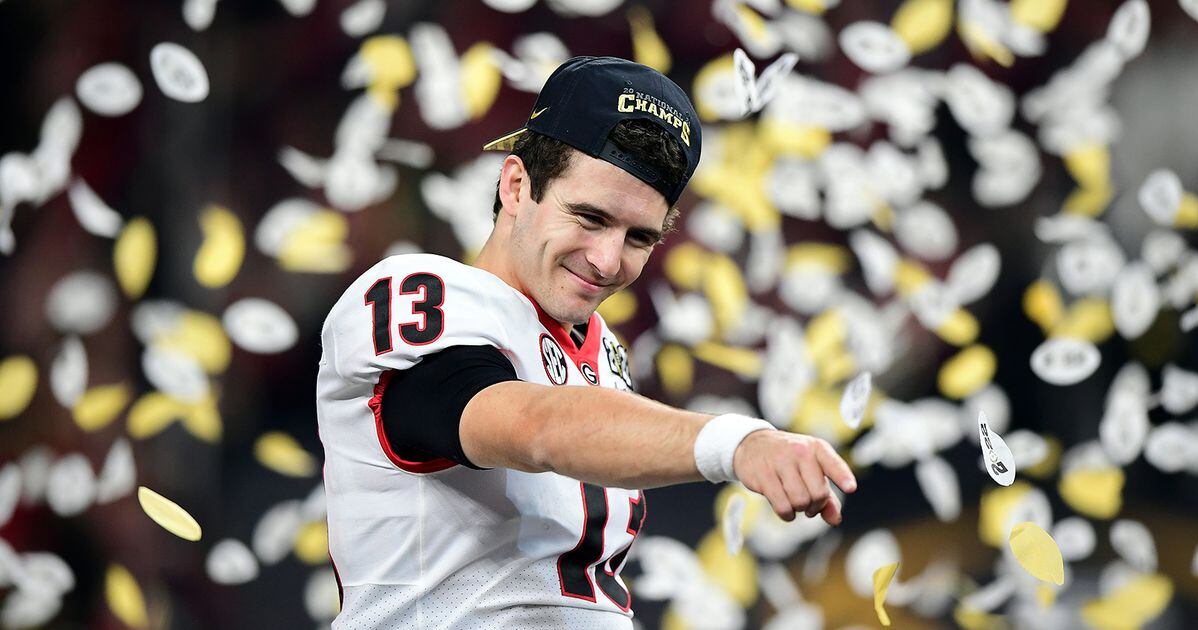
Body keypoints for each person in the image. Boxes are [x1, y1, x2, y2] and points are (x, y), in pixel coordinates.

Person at [315, 56, 857, 629]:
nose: (607, 260)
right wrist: (734, 442)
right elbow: (534, 426)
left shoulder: (601, 355)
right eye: (590, 217)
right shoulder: (425, 295)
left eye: (639, 237)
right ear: (517, 185)